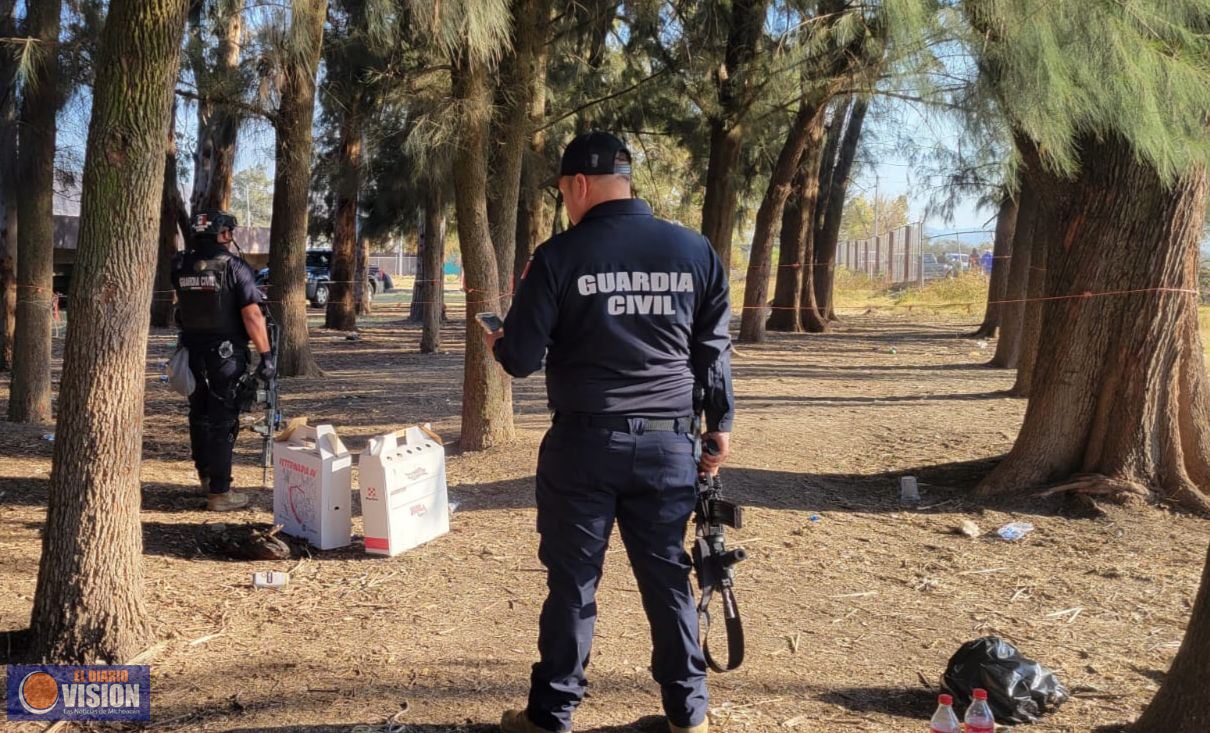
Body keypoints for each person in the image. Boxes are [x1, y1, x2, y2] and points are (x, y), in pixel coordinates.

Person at [486, 132, 734, 733]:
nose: (565, 205)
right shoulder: (695, 250)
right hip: (669, 446)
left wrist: (498, 338)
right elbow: (713, 349)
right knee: (668, 580)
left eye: (564, 193)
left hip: (584, 448)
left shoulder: (559, 257)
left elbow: (520, 359)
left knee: (573, 585)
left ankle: (550, 717)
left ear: (578, 185)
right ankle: (689, 716)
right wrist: (719, 427)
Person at [172, 210, 275, 512]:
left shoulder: (180, 266)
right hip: (226, 355)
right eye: (229, 231)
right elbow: (252, 314)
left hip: (190, 354)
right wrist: (266, 356)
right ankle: (220, 493)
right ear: (223, 234)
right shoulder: (235, 268)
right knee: (223, 421)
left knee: (199, 415)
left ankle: (205, 478)